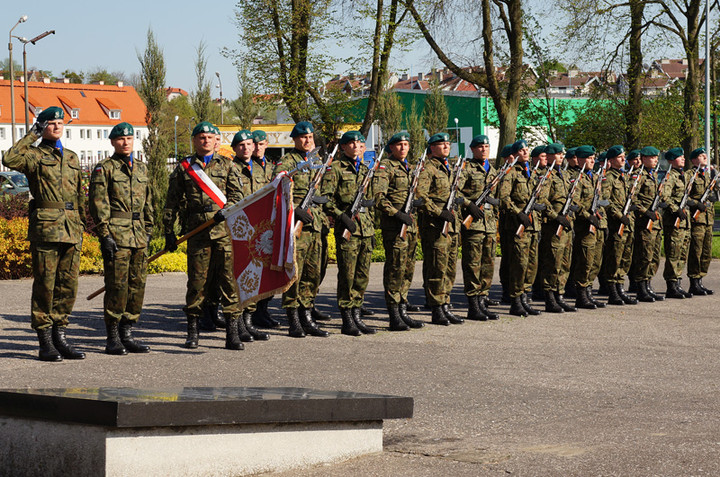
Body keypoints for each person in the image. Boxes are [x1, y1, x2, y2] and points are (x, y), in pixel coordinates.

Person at [3, 106, 86, 361]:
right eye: (50, 123)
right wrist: (33, 134)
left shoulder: (71, 157)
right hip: (46, 228)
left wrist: (82, 225)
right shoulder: (34, 156)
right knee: (45, 286)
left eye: (60, 122)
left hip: (72, 228)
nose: (57, 126)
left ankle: (60, 336)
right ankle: (44, 341)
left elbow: (79, 195)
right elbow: (9, 159)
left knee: (67, 286)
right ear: (42, 127)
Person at [163, 121, 245, 350]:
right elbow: (172, 202)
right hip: (197, 232)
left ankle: (232, 333)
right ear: (194, 140)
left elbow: (238, 197)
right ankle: (192, 332)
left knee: (229, 283)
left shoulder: (228, 166)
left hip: (224, 233)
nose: (205, 140)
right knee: (196, 284)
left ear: (215, 140)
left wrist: (226, 210)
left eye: (210, 137)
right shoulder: (184, 168)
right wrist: (168, 231)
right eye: (201, 137)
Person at [89, 122, 154, 354]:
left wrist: (148, 228)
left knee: (137, 286)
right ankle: (113, 336)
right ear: (113, 142)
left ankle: (128, 332)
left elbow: (149, 202)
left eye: (129, 138)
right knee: (117, 286)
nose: (125, 142)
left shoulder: (142, 169)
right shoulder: (104, 168)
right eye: (120, 139)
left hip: (138, 235)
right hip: (117, 233)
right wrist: (105, 234)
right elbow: (98, 203)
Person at [273, 121, 329, 338]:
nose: (308, 141)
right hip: (297, 226)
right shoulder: (286, 162)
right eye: (303, 137)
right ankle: (293, 318)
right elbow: (277, 192)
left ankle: (307, 314)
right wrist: (295, 211)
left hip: (316, 225)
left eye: (311, 137)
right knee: (295, 273)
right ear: (295, 139)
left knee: (313, 273)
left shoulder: (318, 162)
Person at [321, 131, 377, 335]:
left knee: (362, 276)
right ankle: (347, 318)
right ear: (343, 147)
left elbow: (370, 200)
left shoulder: (365, 169)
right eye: (351, 143)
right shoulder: (335, 168)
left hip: (366, 228)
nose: (355, 145)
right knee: (348, 275)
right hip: (348, 228)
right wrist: (341, 216)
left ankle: (357, 314)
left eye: (359, 142)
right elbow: (325, 198)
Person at [373, 132, 425, 330]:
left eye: (406, 144)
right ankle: (394, 314)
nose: (403, 147)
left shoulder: (411, 169)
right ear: (391, 148)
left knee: (408, 269)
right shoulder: (386, 167)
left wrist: (419, 203)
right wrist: (396, 213)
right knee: (395, 269)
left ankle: (403, 309)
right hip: (395, 227)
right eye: (399, 144)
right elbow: (379, 197)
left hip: (410, 227)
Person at [417, 133, 465, 325]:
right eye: (442, 144)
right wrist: (438, 213)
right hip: (436, 225)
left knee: (450, 268)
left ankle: (445, 304)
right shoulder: (427, 169)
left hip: (451, 225)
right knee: (437, 267)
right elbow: (420, 195)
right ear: (432, 147)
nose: (446, 146)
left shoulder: (449, 168)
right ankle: (436, 308)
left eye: (448, 144)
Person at [231, 129, 272, 340]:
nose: (247, 148)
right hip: (239, 231)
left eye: (250, 144)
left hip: (258, 230)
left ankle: (249, 321)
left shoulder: (259, 168)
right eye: (242, 145)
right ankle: (237, 322)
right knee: (239, 277)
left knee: (254, 276)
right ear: (235, 148)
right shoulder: (231, 168)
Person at [498, 139, 546, 317]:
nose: (525, 152)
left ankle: (525, 298)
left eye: (527, 150)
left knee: (531, 264)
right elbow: (504, 198)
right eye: (522, 150)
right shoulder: (510, 172)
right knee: (519, 263)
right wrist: (518, 213)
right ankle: (515, 300)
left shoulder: (532, 174)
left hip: (533, 225)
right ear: (515, 153)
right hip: (518, 225)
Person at [458, 135, 500, 320]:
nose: (483, 149)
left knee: (488, 264)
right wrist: (469, 204)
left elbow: (499, 197)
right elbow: (456, 191)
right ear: (473, 149)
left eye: (486, 146)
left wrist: (495, 203)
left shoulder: (494, 170)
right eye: (480, 147)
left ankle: (483, 300)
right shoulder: (467, 168)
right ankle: (473, 305)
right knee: (473, 265)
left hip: (489, 224)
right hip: (473, 224)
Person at [247, 130, 283, 329]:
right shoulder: (243, 166)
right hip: (250, 225)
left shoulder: (273, 167)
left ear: (267, 144)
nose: (258, 148)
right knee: (252, 270)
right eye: (255, 144)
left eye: (261, 144)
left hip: (268, 226)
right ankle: (249, 314)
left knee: (267, 271)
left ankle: (263, 311)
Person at [538, 143, 577, 313]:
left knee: (564, 263)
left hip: (567, 225)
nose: (562, 157)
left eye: (562, 154)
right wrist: (556, 216)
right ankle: (550, 298)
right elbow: (542, 200)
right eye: (559, 154)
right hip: (553, 227)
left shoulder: (565, 174)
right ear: (550, 156)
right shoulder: (547, 175)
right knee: (552, 262)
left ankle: (560, 295)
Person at [601, 145, 639, 305]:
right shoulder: (609, 178)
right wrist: (619, 215)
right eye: (620, 157)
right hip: (617, 225)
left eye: (624, 156)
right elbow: (605, 200)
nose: (624, 159)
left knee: (625, 258)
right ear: (611, 160)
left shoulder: (624, 177)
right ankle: (612, 290)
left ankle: (620, 287)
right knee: (614, 258)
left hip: (628, 224)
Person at [568, 145, 603, 309]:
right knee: (584, 262)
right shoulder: (577, 178)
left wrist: (600, 216)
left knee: (594, 261)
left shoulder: (594, 178)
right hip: (583, 227)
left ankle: (589, 292)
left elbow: (600, 200)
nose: (592, 160)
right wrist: (588, 215)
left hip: (595, 226)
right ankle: (581, 295)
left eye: (593, 158)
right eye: (589, 158)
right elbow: (574, 204)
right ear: (581, 159)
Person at [632, 146, 666, 302]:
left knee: (653, 257)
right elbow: (632, 198)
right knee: (644, 256)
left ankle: (648, 285)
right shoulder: (638, 176)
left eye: (656, 157)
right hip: (644, 223)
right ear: (644, 159)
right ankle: (640, 287)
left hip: (656, 224)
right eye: (652, 157)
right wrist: (646, 212)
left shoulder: (654, 176)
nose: (655, 160)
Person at [660, 147, 693, 299]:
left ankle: (678, 283)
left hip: (684, 222)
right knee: (673, 253)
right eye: (680, 157)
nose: (683, 159)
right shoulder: (670, 177)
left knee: (682, 254)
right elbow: (664, 197)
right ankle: (671, 285)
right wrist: (676, 209)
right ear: (672, 160)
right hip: (674, 222)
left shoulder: (683, 176)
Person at [686, 148, 716, 295]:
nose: (705, 157)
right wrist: (696, 203)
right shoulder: (689, 175)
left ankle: (701, 280)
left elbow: (715, 193)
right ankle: (694, 281)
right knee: (696, 251)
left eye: (705, 155)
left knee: (706, 252)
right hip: (697, 219)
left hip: (708, 219)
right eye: (701, 155)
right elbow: (684, 196)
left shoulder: (708, 175)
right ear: (693, 160)